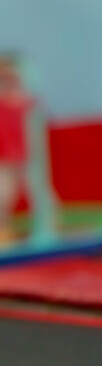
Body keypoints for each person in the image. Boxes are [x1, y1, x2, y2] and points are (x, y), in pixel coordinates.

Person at [0, 54, 31, 240]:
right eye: (4, 77)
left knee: (39, 190)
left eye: (13, 76)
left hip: (29, 157)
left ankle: (50, 222)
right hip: (4, 158)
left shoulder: (28, 102)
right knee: (3, 193)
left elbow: (36, 130)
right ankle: (2, 226)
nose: (9, 81)